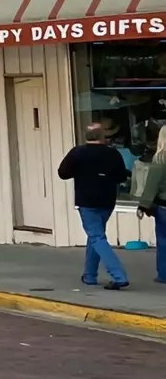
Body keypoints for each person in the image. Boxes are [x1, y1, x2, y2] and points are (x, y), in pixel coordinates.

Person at [57, 121, 130, 290]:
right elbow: (121, 177)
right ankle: (90, 275)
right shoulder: (113, 154)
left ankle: (119, 275)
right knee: (96, 236)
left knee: (97, 237)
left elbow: (63, 173)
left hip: (86, 201)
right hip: (107, 201)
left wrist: (80, 171)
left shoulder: (77, 153)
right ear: (102, 136)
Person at [137, 129, 166, 285]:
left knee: (163, 240)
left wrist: (143, 206)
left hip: (164, 206)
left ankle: (164, 274)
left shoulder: (161, 161)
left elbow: (151, 187)